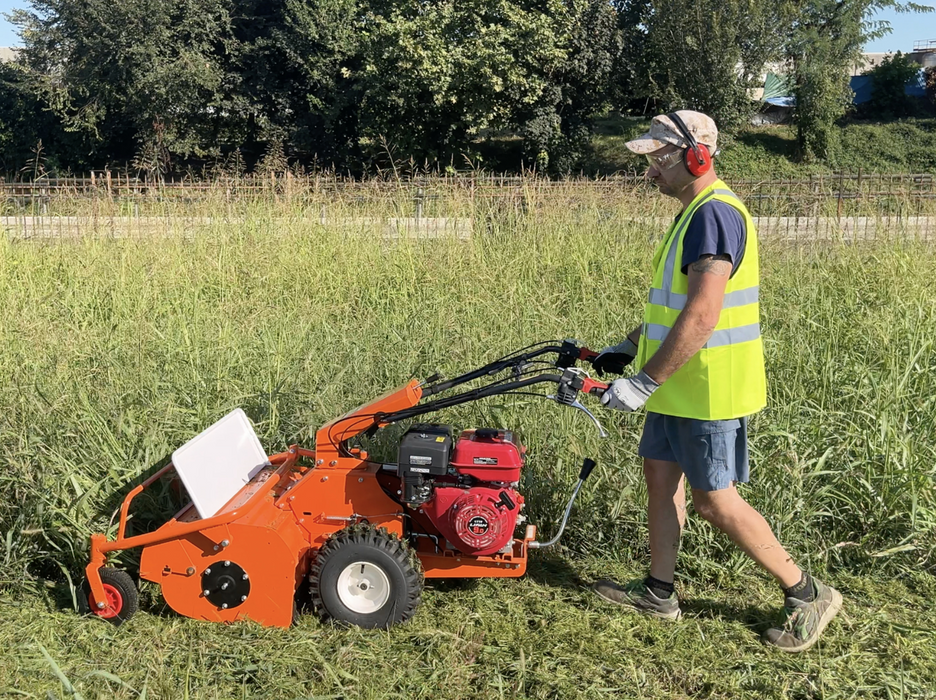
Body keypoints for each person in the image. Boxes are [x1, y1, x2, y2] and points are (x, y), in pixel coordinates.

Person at [589, 110, 841, 653]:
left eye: (658, 158)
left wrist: (642, 381)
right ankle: (659, 592)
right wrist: (630, 345)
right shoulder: (690, 214)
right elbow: (675, 307)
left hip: (707, 387)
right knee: (660, 476)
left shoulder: (714, 215)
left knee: (714, 501)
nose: (650, 170)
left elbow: (704, 316)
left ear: (695, 155)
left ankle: (807, 592)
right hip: (676, 385)